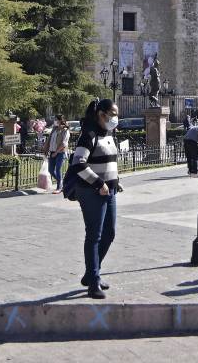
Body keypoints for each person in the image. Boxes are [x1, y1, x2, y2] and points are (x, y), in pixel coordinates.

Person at [73, 99, 122, 299]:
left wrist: (115, 181)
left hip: (110, 190)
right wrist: (98, 183)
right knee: (94, 235)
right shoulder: (89, 135)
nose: (115, 119)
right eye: (113, 114)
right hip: (92, 191)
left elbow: (109, 161)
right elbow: (78, 163)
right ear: (101, 114)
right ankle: (93, 281)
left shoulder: (108, 134)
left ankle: (92, 272)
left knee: (109, 233)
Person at [47, 115, 72, 191]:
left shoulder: (65, 130)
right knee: (51, 170)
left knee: (58, 169)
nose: (55, 121)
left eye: (56, 119)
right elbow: (50, 140)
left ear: (60, 120)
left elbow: (64, 143)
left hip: (60, 152)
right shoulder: (54, 129)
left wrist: (56, 152)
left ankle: (59, 187)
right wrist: (47, 149)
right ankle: (61, 181)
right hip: (52, 151)